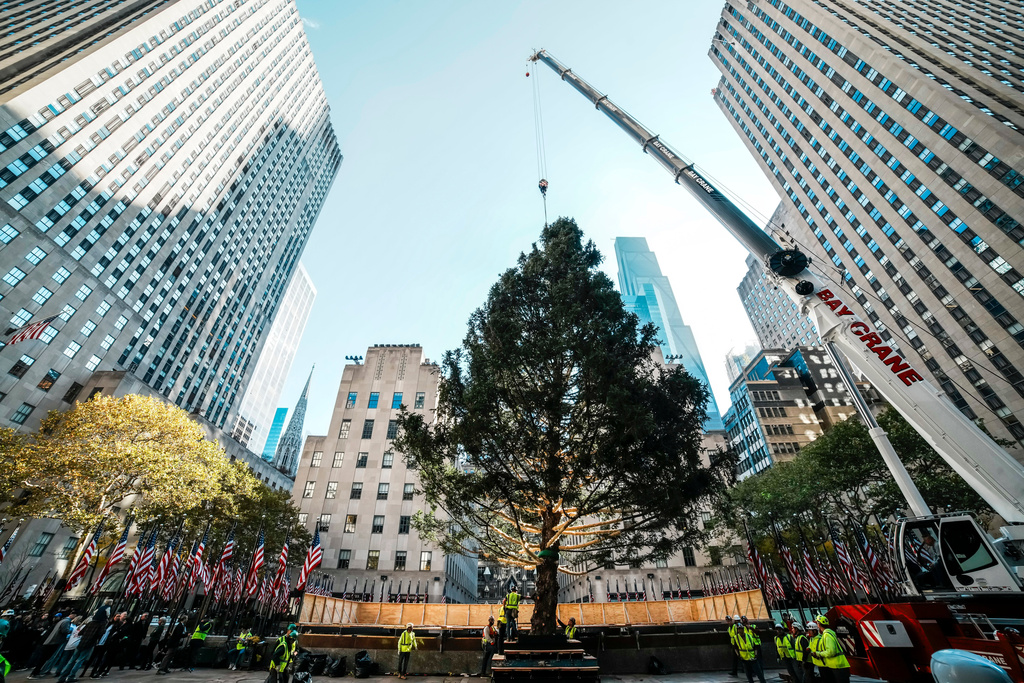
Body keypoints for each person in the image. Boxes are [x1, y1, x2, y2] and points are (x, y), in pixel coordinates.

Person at [56, 615, 104, 683]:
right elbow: (101, 633)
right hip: (86, 645)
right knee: (79, 660)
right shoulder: (95, 625)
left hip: (80, 644)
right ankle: (71, 676)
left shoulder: (81, 626)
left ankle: (62, 677)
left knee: (72, 660)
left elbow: (80, 633)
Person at [29, 611, 75, 678]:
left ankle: (37, 671)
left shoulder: (61, 621)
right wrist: (71, 630)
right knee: (44, 657)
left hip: (50, 641)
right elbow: (64, 631)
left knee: (45, 657)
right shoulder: (66, 622)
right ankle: (35, 673)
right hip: (53, 642)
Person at [812, 615, 850, 683]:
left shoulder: (827, 635)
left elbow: (831, 652)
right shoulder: (827, 634)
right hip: (837, 666)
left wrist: (818, 654)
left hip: (838, 666)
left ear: (819, 624)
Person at [735, 618, 766, 683]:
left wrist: (755, 655)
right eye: (739, 629)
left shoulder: (749, 636)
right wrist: (739, 656)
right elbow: (735, 648)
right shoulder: (737, 638)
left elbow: (755, 647)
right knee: (749, 675)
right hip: (744, 659)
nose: (740, 631)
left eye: (741, 629)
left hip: (753, 658)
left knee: (759, 672)